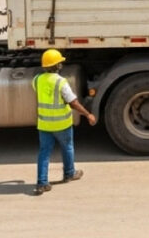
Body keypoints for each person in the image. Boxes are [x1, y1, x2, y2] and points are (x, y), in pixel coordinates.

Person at [33, 48, 96, 196]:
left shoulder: (37, 80)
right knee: (67, 147)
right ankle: (69, 173)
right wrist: (88, 114)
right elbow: (73, 102)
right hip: (61, 124)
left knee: (44, 153)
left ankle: (42, 183)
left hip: (44, 124)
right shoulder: (61, 82)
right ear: (58, 66)